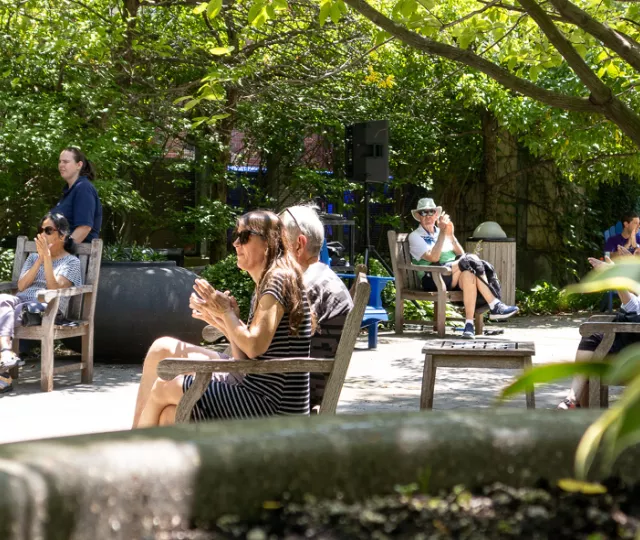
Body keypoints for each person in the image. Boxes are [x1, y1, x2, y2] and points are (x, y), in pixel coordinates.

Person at [133, 210, 313, 428]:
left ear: (267, 242)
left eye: (244, 237)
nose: (236, 243)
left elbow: (255, 346)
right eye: (234, 236)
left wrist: (226, 313)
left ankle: (132, 450)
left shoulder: (278, 279)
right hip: (259, 393)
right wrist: (222, 318)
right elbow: (244, 360)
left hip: (272, 405)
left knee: (164, 387)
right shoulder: (271, 280)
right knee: (169, 414)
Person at [408, 198, 518, 339]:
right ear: (418, 216)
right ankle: (494, 304)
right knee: (470, 260)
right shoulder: (415, 236)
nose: (428, 216)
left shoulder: (441, 232)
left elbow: (460, 254)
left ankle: (468, 325)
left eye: (431, 211)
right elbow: (434, 258)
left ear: (436, 215)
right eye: (424, 212)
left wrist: (451, 235)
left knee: (469, 274)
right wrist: (442, 233)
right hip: (432, 277)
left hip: (451, 275)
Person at [279, 205, 354, 409]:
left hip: (293, 392)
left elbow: (268, 348)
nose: (271, 246)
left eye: (278, 240)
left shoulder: (306, 284)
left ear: (299, 244)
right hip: (301, 381)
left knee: (190, 384)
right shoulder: (318, 275)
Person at [0, 213, 82, 393]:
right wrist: (39, 259)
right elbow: (21, 286)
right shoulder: (32, 258)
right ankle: (6, 353)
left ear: (62, 235)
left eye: (48, 230)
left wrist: (47, 258)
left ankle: (4, 376)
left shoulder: (71, 262)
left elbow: (54, 289)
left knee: (9, 313)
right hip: (22, 303)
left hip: (47, 307)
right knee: (2, 300)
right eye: (40, 231)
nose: (43, 234)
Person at [558, 255, 640, 409]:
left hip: (633, 346)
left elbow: (633, 309)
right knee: (593, 334)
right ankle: (574, 402)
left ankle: (574, 402)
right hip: (630, 335)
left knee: (594, 341)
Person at [51, 147, 102, 243]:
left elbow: (84, 227)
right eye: (60, 162)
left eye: (65, 162)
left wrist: (62, 250)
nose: (61, 165)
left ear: (79, 165)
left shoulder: (83, 188)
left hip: (75, 255)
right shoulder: (69, 192)